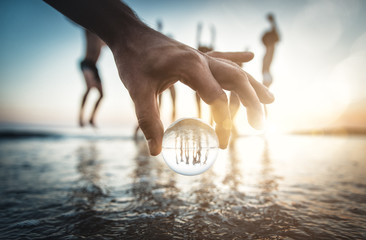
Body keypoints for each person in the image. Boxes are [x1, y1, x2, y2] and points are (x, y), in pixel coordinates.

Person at [44, 0, 274, 156]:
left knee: (101, 92)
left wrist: (122, 35)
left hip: (117, 57)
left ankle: (90, 119)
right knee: (93, 89)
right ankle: (85, 118)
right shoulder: (90, 33)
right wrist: (125, 34)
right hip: (87, 64)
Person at [79, 29, 105, 127]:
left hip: (94, 67)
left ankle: (91, 118)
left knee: (102, 95)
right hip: (86, 64)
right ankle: (80, 117)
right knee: (89, 87)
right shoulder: (90, 31)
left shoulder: (102, 39)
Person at [261, 13, 280, 117]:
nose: (267, 40)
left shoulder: (271, 47)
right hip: (266, 75)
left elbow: (275, 32)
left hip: (267, 75)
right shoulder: (267, 49)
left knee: (263, 99)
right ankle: (266, 120)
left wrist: (273, 21)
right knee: (263, 99)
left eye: (269, 39)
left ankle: (266, 121)